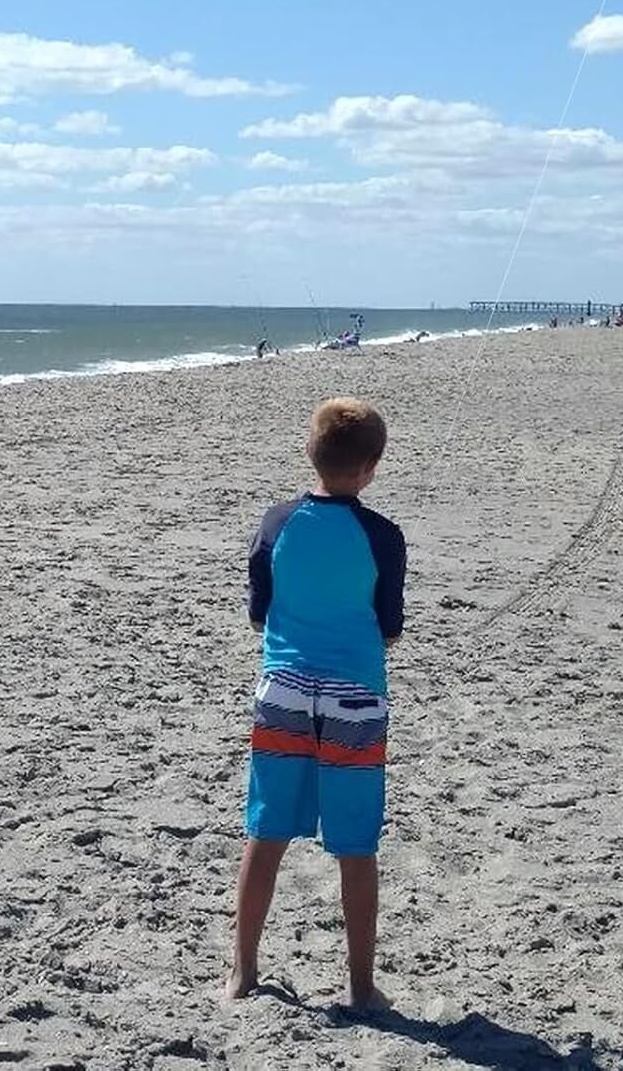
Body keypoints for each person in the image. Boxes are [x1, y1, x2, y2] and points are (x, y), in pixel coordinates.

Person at [226, 396, 406, 1012]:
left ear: (310, 452)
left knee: (267, 829)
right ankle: (360, 986)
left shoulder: (277, 523)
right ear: (371, 468)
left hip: (284, 689)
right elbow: (388, 628)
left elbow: (259, 615)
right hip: (354, 695)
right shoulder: (382, 536)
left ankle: (243, 973)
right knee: (355, 843)